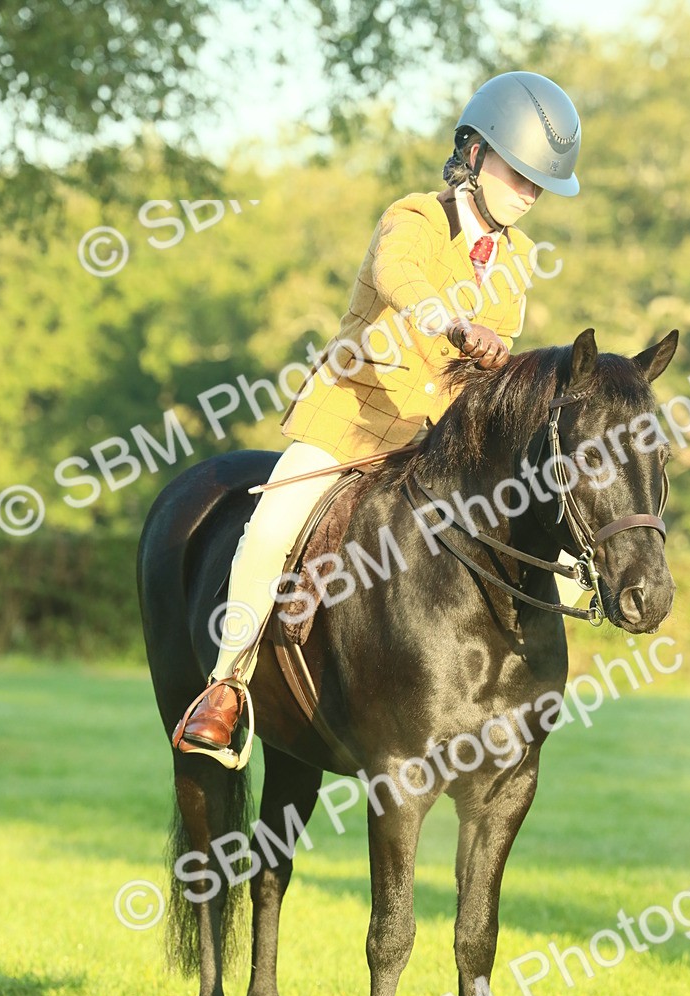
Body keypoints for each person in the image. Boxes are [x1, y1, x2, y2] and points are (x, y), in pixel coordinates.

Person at [172, 70, 582, 767]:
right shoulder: (415, 217)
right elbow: (400, 277)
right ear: (476, 155)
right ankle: (228, 686)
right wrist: (451, 321)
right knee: (268, 532)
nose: (531, 193)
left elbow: (493, 362)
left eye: (541, 183)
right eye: (521, 173)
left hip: (435, 446)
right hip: (350, 421)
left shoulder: (517, 258)